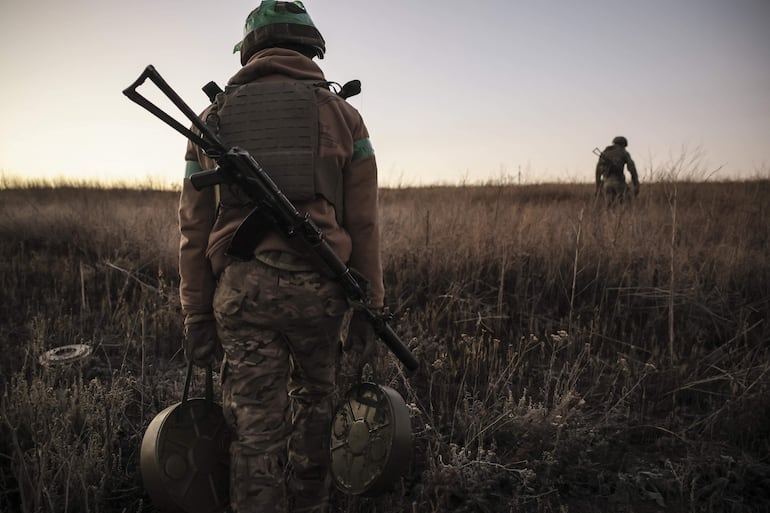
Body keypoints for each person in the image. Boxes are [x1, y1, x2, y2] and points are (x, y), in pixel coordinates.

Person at [177, 2, 383, 512]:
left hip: (241, 293)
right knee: (318, 404)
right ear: (311, 46)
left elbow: (192, 229)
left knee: (254, 427)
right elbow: (365, 224)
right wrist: (371, 304)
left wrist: (196, 313)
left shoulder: (211, 118)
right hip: (322, 287)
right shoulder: (345, 114)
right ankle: (310, 503)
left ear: (249, 50)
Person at [595, 136, 640, 206]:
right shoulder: (623, 152)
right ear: (623, 144)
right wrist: (636, 184)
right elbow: (632, 168)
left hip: (606, 184)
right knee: (626, 205)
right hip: (619, 183)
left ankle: (608, 216)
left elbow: (598, 170)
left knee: (609, 207)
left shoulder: (605, 152)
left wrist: (598, 186)